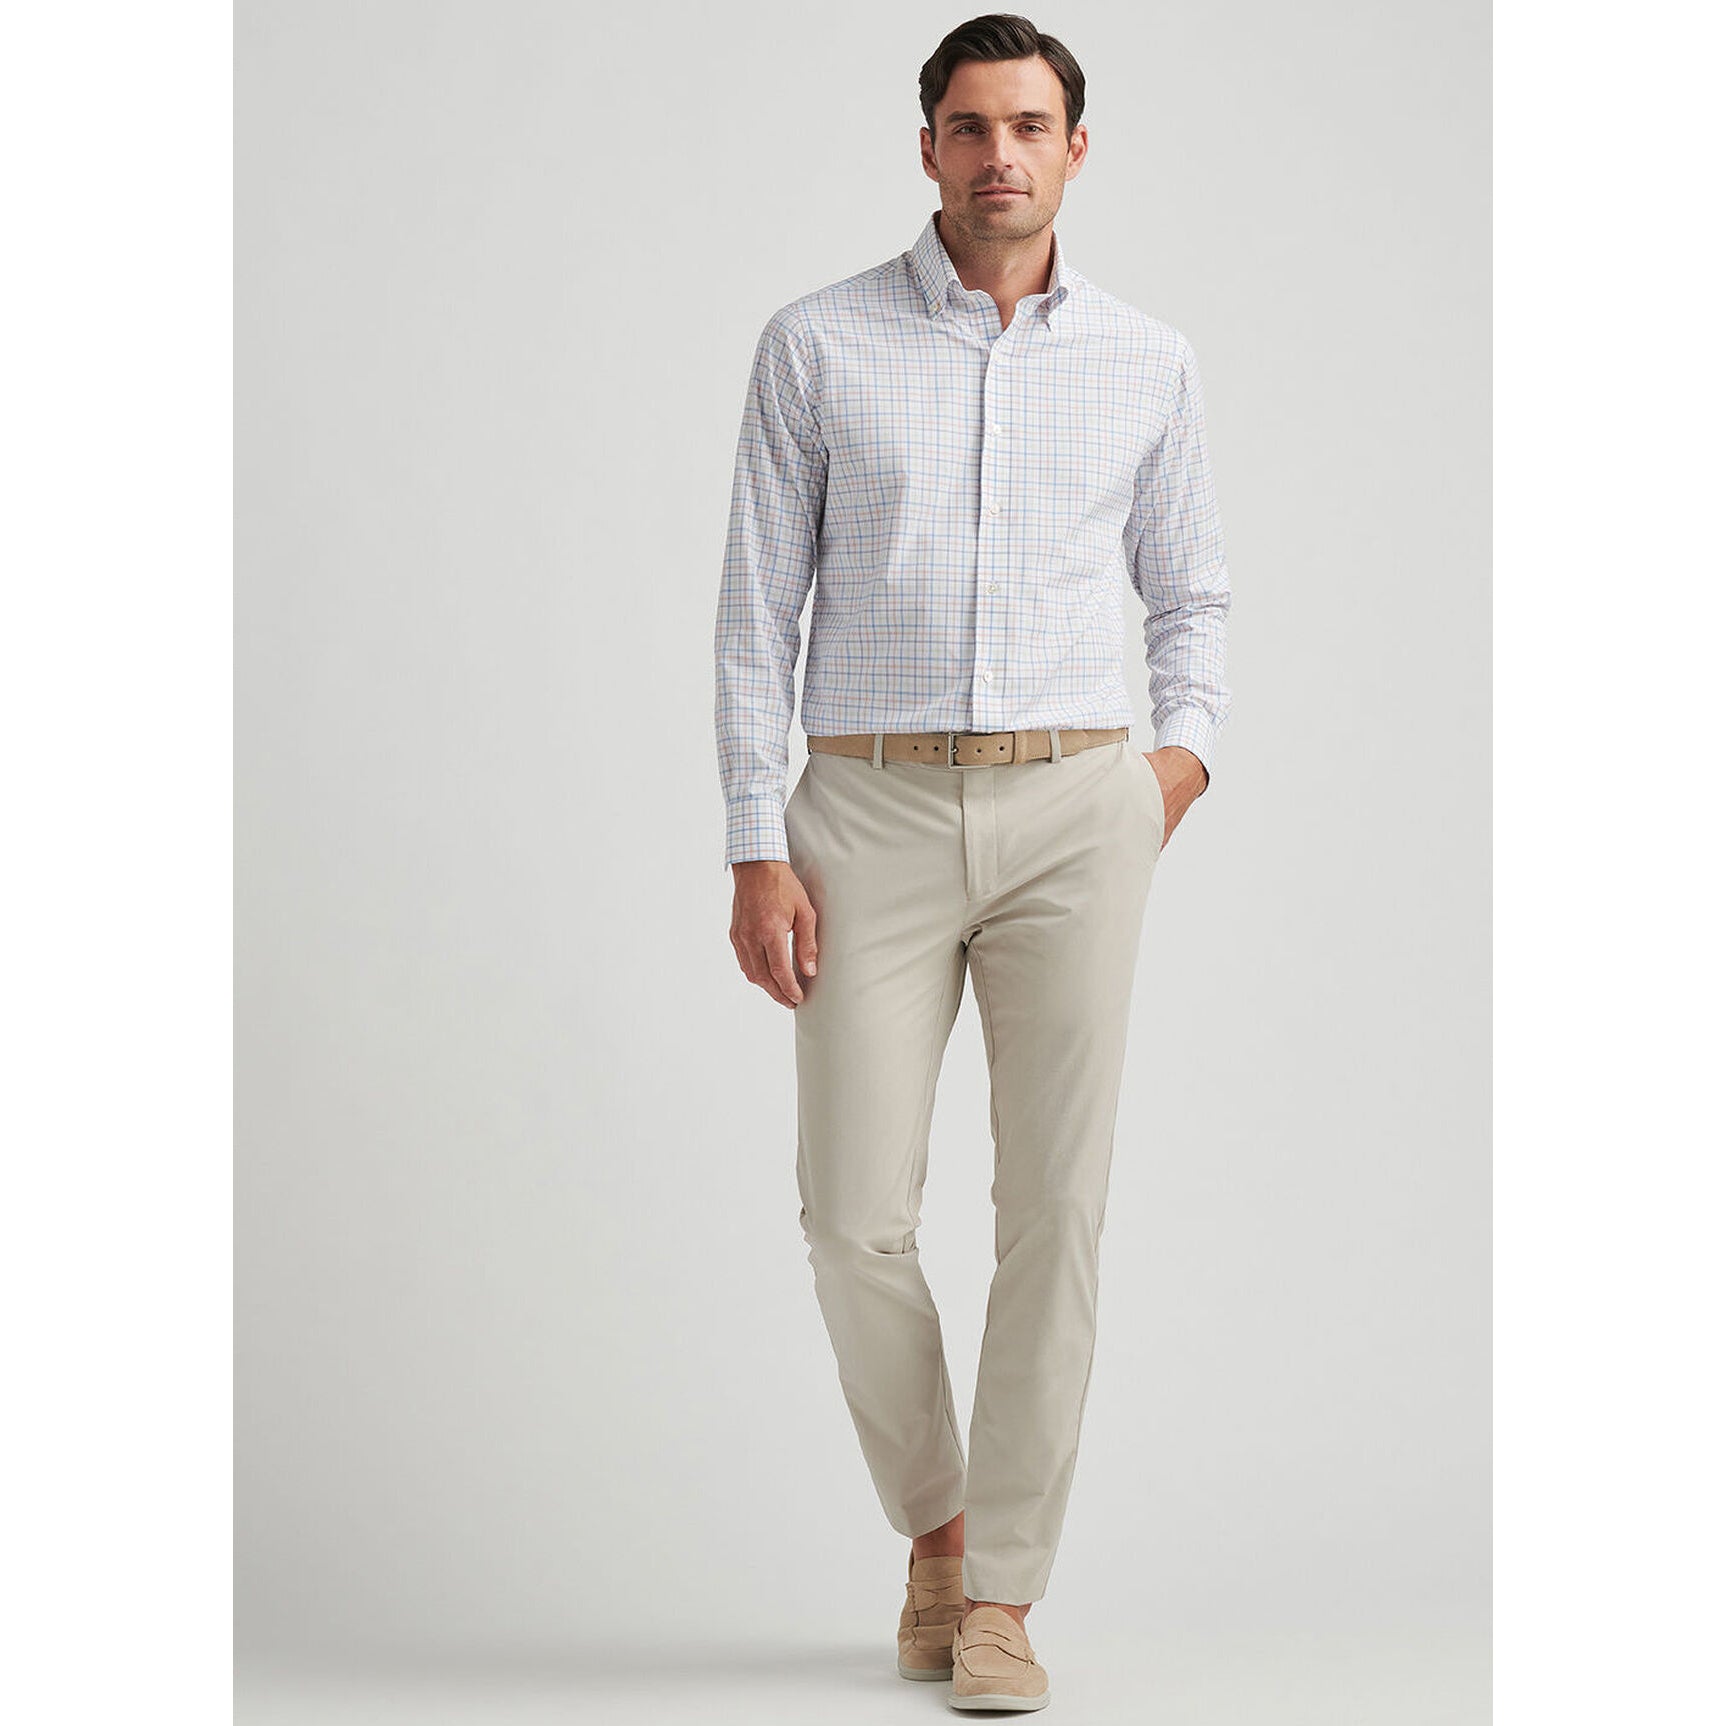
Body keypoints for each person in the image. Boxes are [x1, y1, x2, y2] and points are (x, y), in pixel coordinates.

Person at [712, 13, 1232, 1711]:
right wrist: (753, 844)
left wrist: (1169, 768)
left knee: (1053, 1209)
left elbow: (1192, 594)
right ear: (925, 147)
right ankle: (934, 1528)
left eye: (1026, 124)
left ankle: (1000, 1591)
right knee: (849, 1214)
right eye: (966, 125)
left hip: (1075, 810)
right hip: (861, 814)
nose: (997, 152)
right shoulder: (816, 344)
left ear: (1075, 148)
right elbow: (755, 614)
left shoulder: (1147, 360)